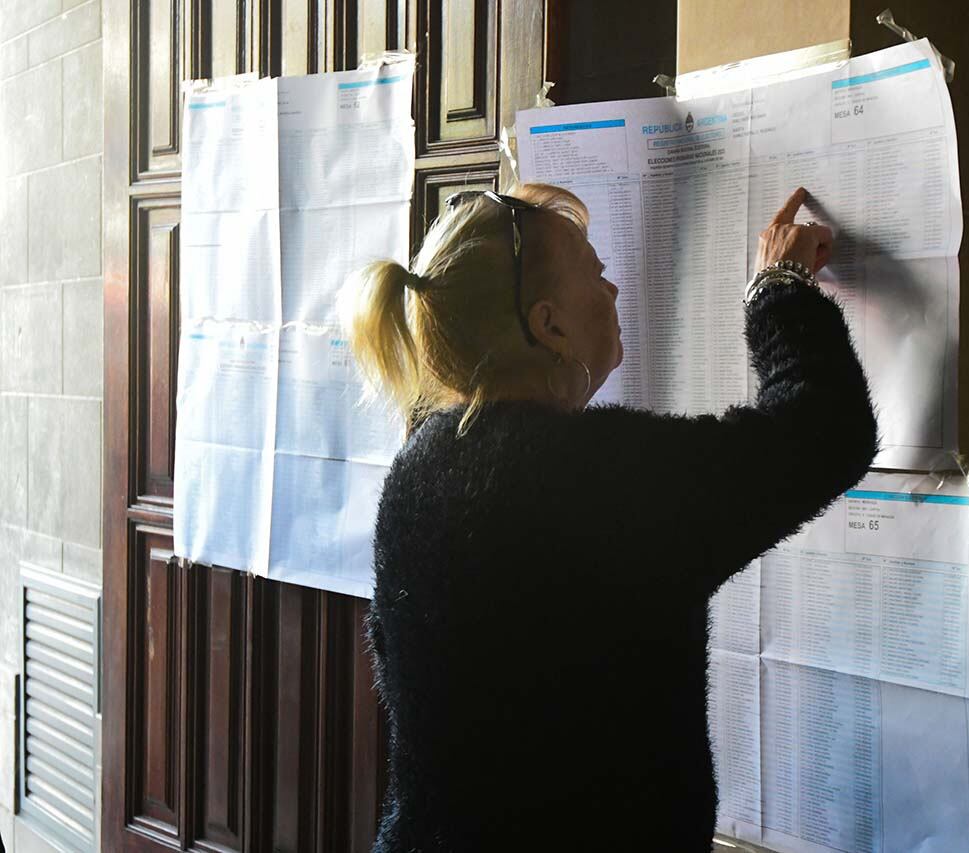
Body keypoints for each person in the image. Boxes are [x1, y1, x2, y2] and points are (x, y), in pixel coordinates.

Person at [343, 183, 878, 852]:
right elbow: (825, 431)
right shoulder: (593, 477)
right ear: (549, 325)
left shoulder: (416, 470)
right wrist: (778, 287)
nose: (614, 289)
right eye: (595, 272)